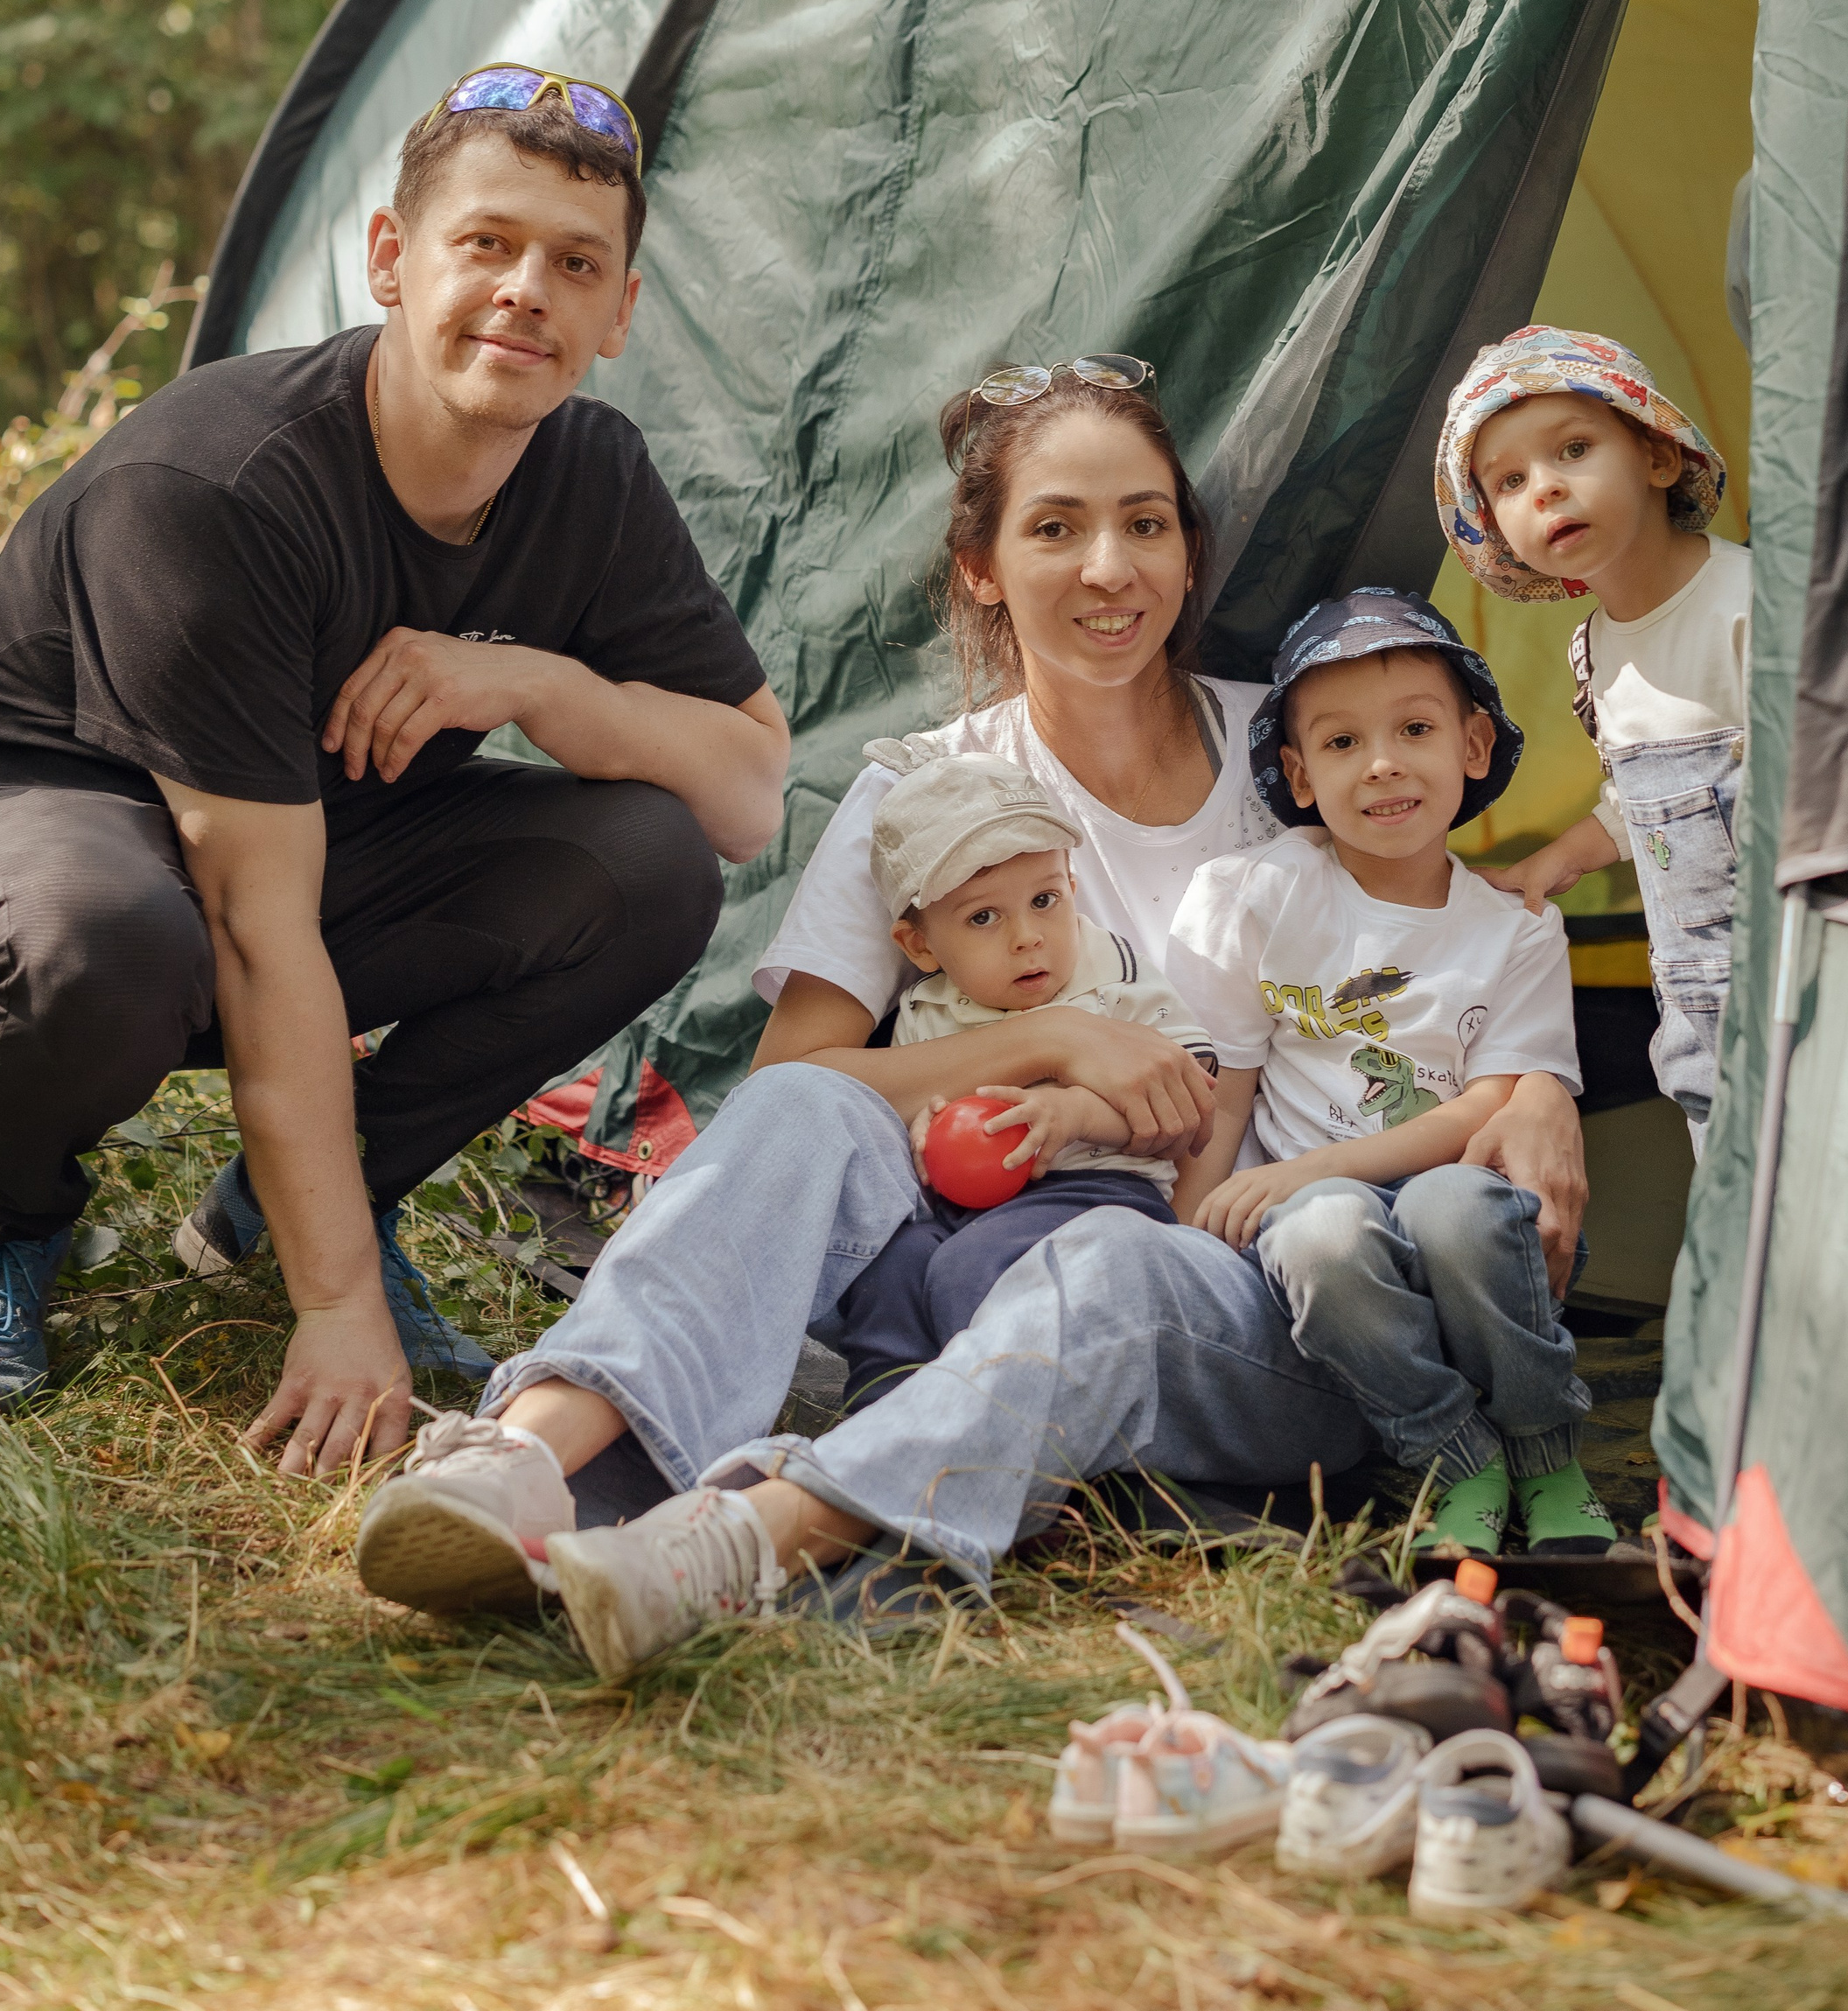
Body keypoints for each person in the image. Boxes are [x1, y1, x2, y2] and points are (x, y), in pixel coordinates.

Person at [354, 358, 1591, 1675]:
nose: (1109, 568)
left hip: (1257, 1291)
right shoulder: (926, 790)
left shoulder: (1309, 746)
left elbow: (1453, 937)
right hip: (965, 1254)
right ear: (982, 569)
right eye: (1057, 528)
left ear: (1187, 555)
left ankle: (751, 1538)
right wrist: (1050, 1042)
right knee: (805, 1102)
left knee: (1113, 1268)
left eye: (1146, 524)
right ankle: (529, 1454)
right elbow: (797, 1082)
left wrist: (1542, 1089)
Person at [0, 65, 788, 1467]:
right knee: (104, 941)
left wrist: (535, 680)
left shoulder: (590, 476)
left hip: (308, 838)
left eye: (575, 263)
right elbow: (255, 924)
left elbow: (747, 794)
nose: (528, 290)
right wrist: (337, 1307)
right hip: (58, 811)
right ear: (394, 261)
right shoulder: (220, 488)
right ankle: (1, 1213)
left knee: (646, 867)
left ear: (621, 312)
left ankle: (268, 1211)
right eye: (488, 243)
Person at [1169, 588, 1609, 1559]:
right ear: (1296, 771)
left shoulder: (1513, 928)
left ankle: (1545, 1451)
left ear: (1474, 745)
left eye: (1414, 727)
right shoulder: (1264, 896)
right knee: (1324, 1230)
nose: (1381, 765)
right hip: (1323, 1230)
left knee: (1451, 1204)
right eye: (1339, 743)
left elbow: (1496, 1100)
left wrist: (1313, 1168)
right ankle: (1458, 1458)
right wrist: (1186, 1233)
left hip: (1460, 1208)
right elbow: (1230, 1077)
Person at [1435, 325, 1746, 1146]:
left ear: (1657, 457)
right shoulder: (1595, 649)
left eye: (1573, 449)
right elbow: (1643, 799)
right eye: (1509, 480)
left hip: (1802, 991)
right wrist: (1557, 858)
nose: (1544, 488)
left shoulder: (1748, 605)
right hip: (1696, 1020)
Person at [835, 741, 1214, 1407]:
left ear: (1072, 886)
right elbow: (916, 1101)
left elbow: (1192, 1088)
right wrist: (922, 1132)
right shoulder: (926, 1006)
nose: (1027, 937)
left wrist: (1071, 1116)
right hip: (960, 1205)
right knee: (892, 1268)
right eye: (984, 917)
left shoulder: (1112, 974)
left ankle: (1006, 1424)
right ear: (919, 945)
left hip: (1094, 1192)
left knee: (972, 1270)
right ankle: (881, 1410)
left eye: (1044, 900)